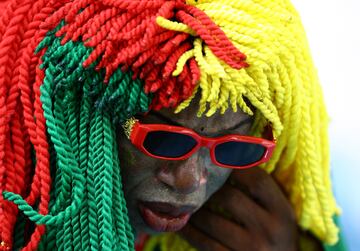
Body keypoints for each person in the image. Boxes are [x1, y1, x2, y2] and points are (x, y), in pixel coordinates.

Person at [0, 0, 345, 250]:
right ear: (63, 113)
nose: (189, 181)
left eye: (234, 145)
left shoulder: (278, 216)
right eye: (164, 140)